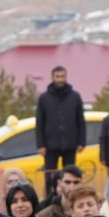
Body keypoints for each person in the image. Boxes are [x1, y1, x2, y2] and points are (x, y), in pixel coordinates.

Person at [36, 66, 86, 196]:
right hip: (50, 145)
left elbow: (80, 121)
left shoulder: (75, 97)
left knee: (70, 175)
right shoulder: (44, 98)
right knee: (50, 176)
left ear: (66, 77)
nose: (60, 79)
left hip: (70, 144)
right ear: (53, 78)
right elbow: (39, 123)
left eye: (62, 76)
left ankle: (71, 196)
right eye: (57, 76)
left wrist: (81, 142)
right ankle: (50, 198)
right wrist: (40, 144)